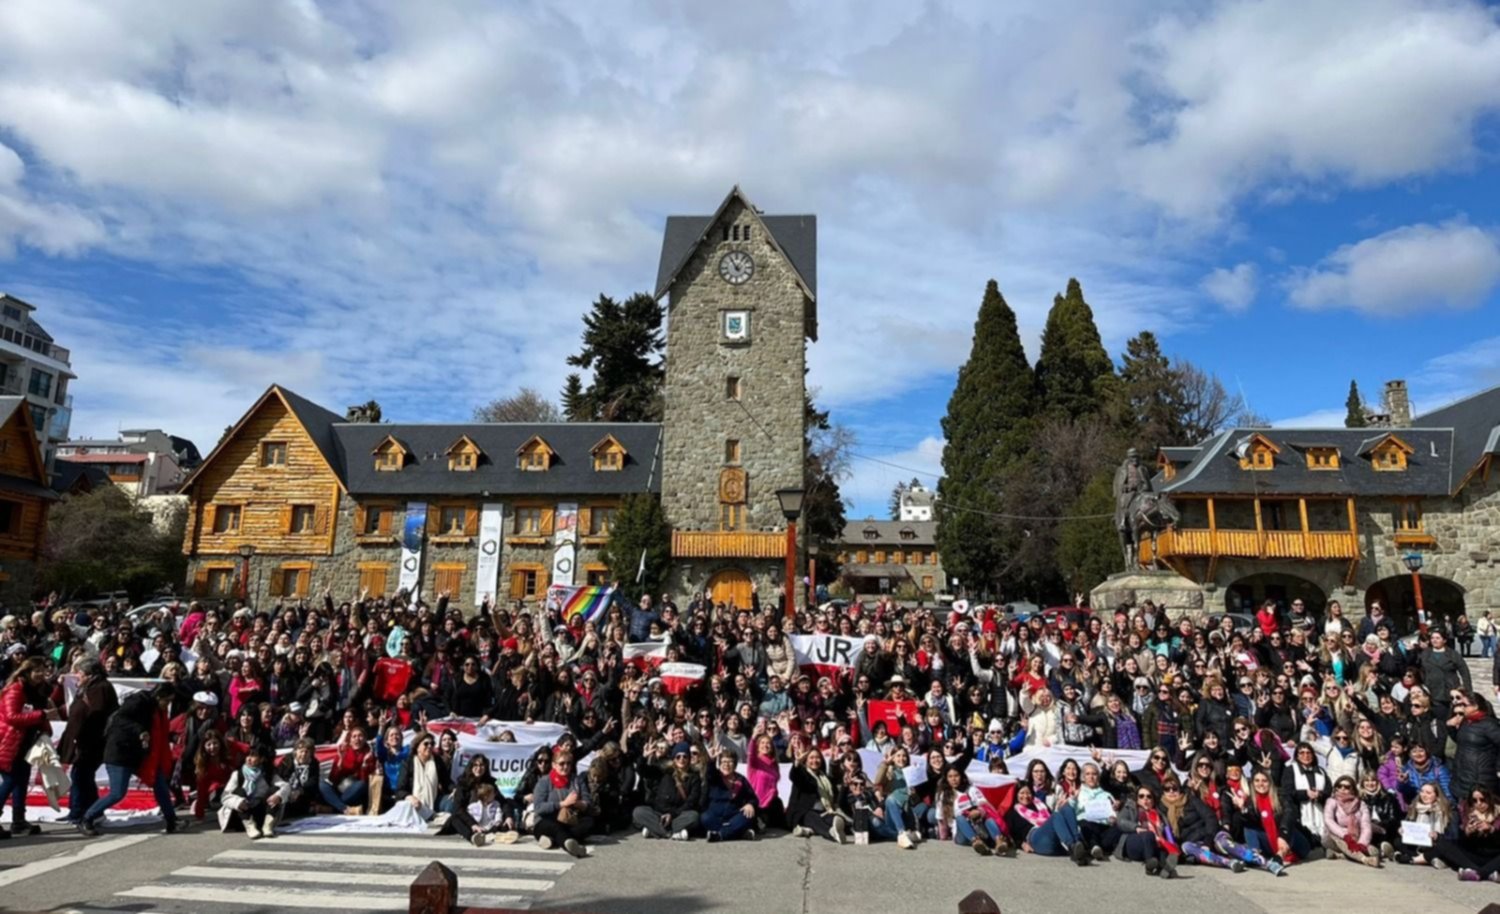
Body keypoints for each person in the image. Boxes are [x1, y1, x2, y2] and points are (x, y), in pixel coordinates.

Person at [82, 683, 181, 836]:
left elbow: (156, 730)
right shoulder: (138, 701)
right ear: (159, 696)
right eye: (167, 700)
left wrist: (171, 736)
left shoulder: (155, 708)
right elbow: (120, 719)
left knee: (160, 784)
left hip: (141, 755)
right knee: (117, 793)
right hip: (121, 753)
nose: (167, 705)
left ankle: (171, 821)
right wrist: (140, 731)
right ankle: (87, 818)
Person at [58, 660, 117, 829]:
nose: (77, 676)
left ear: (90, 675)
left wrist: (83, 737)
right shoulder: (88, 687)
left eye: (80, 674)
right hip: (84, 741)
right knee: (80, 776)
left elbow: (96, 716)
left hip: (92, 742)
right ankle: (78, 811)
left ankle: (87, 811)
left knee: (81, 776)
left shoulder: (100, 688)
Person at [0, 657, 53, 838]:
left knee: (21, 782)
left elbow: (39, 715)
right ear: (27, 672)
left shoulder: (35, 690)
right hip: (8, 742)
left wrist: (45, 727)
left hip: (25, 742)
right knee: (10, 781)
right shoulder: (15, 690)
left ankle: (19, 821)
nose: (41, 674)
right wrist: (40, 715)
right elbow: (11, 717)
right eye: (37, 670)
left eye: (43, 670)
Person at [531, 748, 592, 858]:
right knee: (554, 827)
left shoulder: (576, 780)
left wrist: (578, 803)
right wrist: (562, 804)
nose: (565, 767)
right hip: (547, 821)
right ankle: (568, 844)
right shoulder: (544, 782)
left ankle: (552, 840)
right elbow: (539, 807)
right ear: (554, 765)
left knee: (588, 822)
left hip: (569, 820)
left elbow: (587, 801)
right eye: (562, 763)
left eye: (568, 763)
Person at [1431, 787, 1500, 882]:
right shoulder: (1468, 814)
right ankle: (1484, 872)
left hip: (1493, 855)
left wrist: (1491, 830)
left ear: (1489, 799)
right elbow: (1462, 843)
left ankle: (1479, 873)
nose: (1479, 804)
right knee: (1442, 842)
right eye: (1474, 801)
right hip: (1474, 855)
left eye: (1483, 800)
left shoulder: (1498, 814)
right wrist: (1467, 832)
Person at [219, 746, 287, 838]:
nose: (249, 759)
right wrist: (237, 802)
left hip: (260, 811)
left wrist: (278, 796)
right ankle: (250, 827)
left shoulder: (267, 774)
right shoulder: (238, 774)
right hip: (242, 814)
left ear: (262, 759)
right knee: (239, 791)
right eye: (247, 756)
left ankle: (267, 826)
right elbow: (224, 796)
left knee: (275, 790)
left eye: (253, 756)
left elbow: (286, 786)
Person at [1445, 691, 1500, 800]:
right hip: (1462, 774)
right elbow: (1461, 741)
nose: (1462, 708)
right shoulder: (1466, 722)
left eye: (1464, 705)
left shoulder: (1489, 725)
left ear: (1475, 706)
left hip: (1480, 777)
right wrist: (1450, 727)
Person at [787, 748, 848, 844]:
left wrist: (835, 763)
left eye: (817, 758)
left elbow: (836, 781)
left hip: (824, 812)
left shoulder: (825, 778)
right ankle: (831, 833)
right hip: (804, 813)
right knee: (812, 817)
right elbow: (794, 775)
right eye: (811, 758)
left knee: (836, 819)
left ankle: (809, 830)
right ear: (806, 761)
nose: (814, 761)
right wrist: (797, 762)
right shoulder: (803, 774)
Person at [1322, 776, 1382, 867]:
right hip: (1334, 837)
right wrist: (1345, 835)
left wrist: (1362, 843)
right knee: (1341, 841)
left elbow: (1366, 825)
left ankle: (1340, 855)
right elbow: (1328, 820)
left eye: (1347, 787)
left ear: (1353, 789)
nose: (1342, 789)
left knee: (1373, 851)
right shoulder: (1331, 801)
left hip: (1356, 837)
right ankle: (1365, 859)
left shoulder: (1361, 804)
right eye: (1339, 786)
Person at [702, 750, 758, 842]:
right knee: (705, 817)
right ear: (719, 764)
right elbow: (710, 773)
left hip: (734, 817)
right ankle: (738, 833)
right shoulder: (715, 777)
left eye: (730, 762)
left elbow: (753, 798)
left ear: (735, 765)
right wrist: (711, 761)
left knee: (747, 817)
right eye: (724, 762)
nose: (726, 765)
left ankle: (719, 835)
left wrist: (750, 804)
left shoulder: (741, 780)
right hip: (716, 817)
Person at [1392, 782, 1453, 866]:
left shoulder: (1443, 809)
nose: (1424, 795)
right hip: (1417, 844)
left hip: (1435, 844)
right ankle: (1426, 859)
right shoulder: (1415, 806)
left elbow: (1450, 834)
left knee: (1441, 849)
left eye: (1428, 793)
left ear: (1437, 795)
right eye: (1422, 791)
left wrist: (1436, 836)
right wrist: (1403, 830)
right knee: (1398, 841)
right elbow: (1408, 824)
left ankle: (1412, 858)